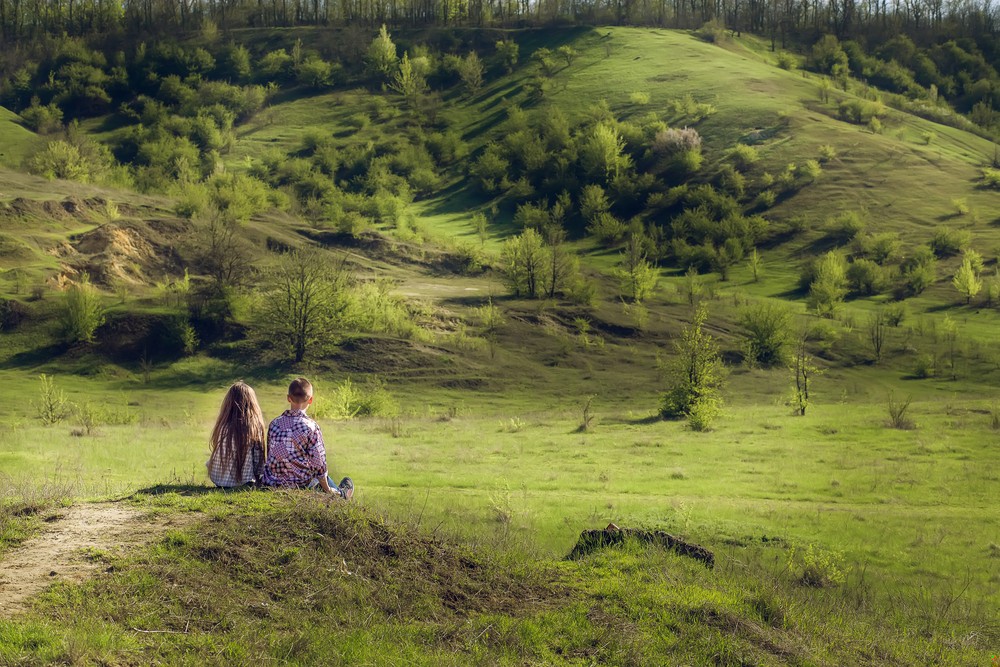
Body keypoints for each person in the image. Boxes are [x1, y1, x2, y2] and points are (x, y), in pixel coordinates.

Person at [261, 377, 353, 499]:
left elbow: (270, 454)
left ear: (288, 398)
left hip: (273, 482)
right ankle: (341, 494)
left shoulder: (274, 424)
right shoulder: (311, 427)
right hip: (300, 484)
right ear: (310, 400)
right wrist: (327, 489)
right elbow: (319, 464)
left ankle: (340, 491)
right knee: (322, 478)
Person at [207, 381, 267, 488]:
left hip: (218, 480)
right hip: (244, 481)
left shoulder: (222, 425)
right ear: (252, 404)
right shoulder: (253, 427)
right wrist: (259, 479)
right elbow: (258, 460)